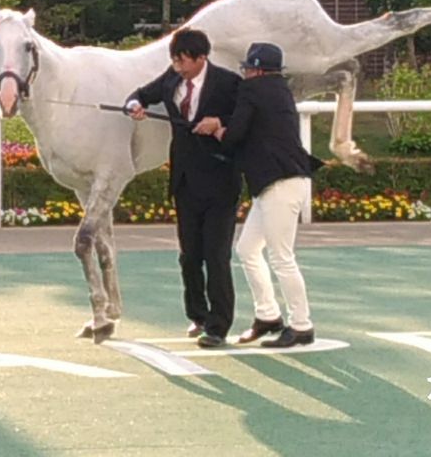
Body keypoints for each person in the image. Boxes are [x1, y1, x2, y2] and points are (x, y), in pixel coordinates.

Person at [194, 42, 324, 348]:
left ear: (257, 70)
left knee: (281, 258)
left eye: (248, 69)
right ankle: (267, 315)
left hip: (280, 182)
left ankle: (302, 324)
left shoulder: (254, 90)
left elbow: (234, 137)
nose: (245, 74)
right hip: (280, 182)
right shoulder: (279, 89)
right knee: (248, 249)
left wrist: (215, 128)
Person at [126, 29, 242, 348]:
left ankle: (219, 326)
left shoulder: (228, 83)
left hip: (221, 183)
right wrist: (134, 105)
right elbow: (140, 94)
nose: (178, 66)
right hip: (185, 182)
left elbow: (246, 119)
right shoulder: (171, 78)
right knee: (189, 256)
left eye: (183, 60)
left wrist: (219, 123)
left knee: (216, 256)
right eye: (174, 60)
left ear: (202, 58)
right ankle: (198, 315)